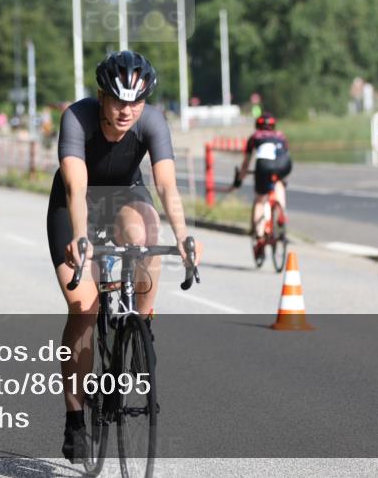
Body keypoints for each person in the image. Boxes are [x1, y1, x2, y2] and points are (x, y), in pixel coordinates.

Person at [46, 50, 200, 463]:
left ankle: (141, 326)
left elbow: (166, 186)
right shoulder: (76, 119)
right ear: (101, 96)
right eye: (117, 101)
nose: (126, 110)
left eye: (135, 101)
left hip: (125, 197)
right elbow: (77, 188)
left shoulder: (150, 122)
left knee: (145, 232)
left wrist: (183, 237)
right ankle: (76, 418)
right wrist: (81, 239)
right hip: (74, 206)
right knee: (83, 308)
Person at [234, 113, 292, 258]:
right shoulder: (281, 136)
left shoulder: (255, 137)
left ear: (258, 126)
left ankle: (259, 236)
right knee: (278, 184)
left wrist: (239, 179)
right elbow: (286, 156)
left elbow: (246, 163)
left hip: (264, 164)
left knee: (260, 200)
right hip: (284, 164)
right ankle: (281, 212)